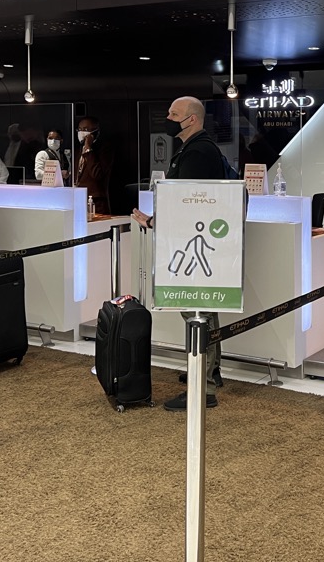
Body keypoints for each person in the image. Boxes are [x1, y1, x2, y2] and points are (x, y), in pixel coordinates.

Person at [132, 96, 226, 411]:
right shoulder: (194, 149)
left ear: (192, 119)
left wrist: (155, 221)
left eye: (174, 114)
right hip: (194, 242)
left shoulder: (199, 152)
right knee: (203, 309)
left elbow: (189, 202)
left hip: (193, 244)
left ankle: (205, 386)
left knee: (198, 310)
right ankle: (208, 372)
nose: (168, 118)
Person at [75, 115, 113, 214]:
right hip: (79, 199)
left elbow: (97, 174)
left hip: (97, 202)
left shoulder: (104, 150)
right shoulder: (77, 150)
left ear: (95, 132)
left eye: (86, 129)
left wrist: (88, 149)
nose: (81, 132)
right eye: (79, 129)